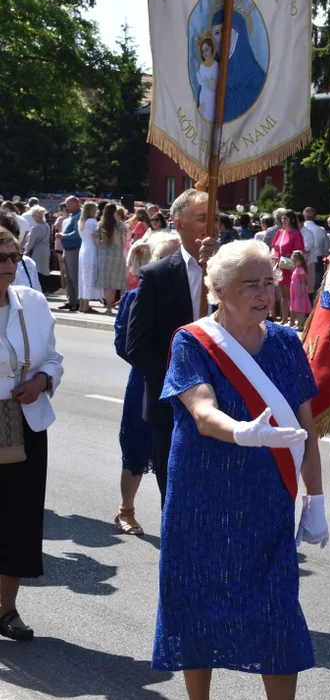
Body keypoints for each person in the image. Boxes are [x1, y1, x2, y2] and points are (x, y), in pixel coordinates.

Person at [151, 239, 327, 700]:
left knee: (277, 613)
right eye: (251, 284)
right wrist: (243, 432)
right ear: (218, 290)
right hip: (200, 502)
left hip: (268, 503)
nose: (264, 293)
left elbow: (306, 429)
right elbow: (203, 412)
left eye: (269, 282)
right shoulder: (191, 340)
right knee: (195, 606)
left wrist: (317, 498)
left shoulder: (288, 343)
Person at [126, 189, 220, 503]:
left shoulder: (235, 275)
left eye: (216, 218)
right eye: (202, 218)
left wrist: (222, 273)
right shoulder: (156, 276)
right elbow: (137, 346)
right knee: (177, 500)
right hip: (172, 407)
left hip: (227, 406)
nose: (212, 225)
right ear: (178, 225)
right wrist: (180, 385)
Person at [0, 223, 64, 642]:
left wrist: (41, 381)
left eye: (11, 257)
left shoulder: (34, 302)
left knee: (18, 519)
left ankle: (6, 609)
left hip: (23, 424)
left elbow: (54, 359)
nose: (7, 265)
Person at [113, 232, 182, 535]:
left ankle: (176, 519)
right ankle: (126, 508)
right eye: (165, 257)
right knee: (138, 447)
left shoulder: (191, 292)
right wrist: (155, 368)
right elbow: (124, 344)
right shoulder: (136, 296)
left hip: (184, 386)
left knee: (175, 455)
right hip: (146, 382)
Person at [272, 210, 304, 325]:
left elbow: (299, 251)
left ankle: (293, 319)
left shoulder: (296, 233)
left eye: (285, 219)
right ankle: (284, 318)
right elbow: (275, 247)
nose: (283, 221)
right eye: (282, 219)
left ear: (291, 220)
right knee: (283, 294)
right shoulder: (280, 232)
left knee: (292, 293)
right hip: (280, 265)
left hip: (290, 266)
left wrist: (294, 265)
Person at [96, 203, 127, 313]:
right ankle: (112, 304)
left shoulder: (100, 224)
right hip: (117, 254)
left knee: (106, 282)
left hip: (104, 254)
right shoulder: (120, 225)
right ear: (114, 212)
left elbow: (96, 242)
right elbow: (124, 241)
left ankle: (108, 306)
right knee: (114, 281)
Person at [0, 216, 41, 292]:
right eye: (1, 257)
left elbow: (36, 295)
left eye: (14, 257)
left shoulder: (28, 263)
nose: (9, 263)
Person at [77, 201, 103, 313]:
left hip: (83, 249)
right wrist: (101, 247)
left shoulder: (81, 222)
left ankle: (82, 304)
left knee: (83, 277)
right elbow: (95, 238)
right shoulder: (92, 221)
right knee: (89, 277)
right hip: (91, 250)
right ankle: (86, 305)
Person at [301, 207, 330, 303]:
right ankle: (314, 307)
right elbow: (326, 247)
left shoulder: (301, 230)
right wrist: (324, 253)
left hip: (302, 260)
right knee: (317, 286)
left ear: (304, 216)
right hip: (317, 259)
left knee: (302, 284)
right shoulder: (321, 230)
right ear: (315, 217)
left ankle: (303, 306)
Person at [59, 196, 82, 311]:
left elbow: (77, 234)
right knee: (68, 277)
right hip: (67, 250)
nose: (66, 207)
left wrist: (63, 236)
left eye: (68, 204)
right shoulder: (72, 217)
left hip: (74, 249)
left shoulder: (79, 217)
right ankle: (71, 300)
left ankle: (77, 301)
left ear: (74, 204)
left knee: (74, 276)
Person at [23, 206, 51, 292]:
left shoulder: (35, 228)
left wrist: (25, 252)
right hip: (46, 250)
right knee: (44, 271)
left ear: (35, 215)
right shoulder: (47, 226)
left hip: (37, 252)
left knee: (37, 272)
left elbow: (30, 242)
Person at [288, 251, 310, 329]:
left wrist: (301, 291)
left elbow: (303, 282)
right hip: (295, 291)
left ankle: (301, 324)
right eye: (293, 261)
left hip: (299, 291)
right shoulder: (296, 269)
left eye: (295, 261)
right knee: (297, 308)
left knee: (300, 308)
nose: (294, 262)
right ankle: (298, 323)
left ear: (300, 261)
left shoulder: (301, 270)